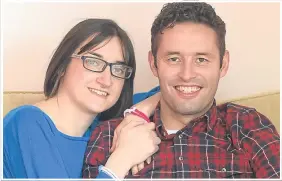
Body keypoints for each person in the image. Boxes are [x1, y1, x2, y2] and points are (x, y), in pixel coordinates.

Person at [82, 2, 280, 179]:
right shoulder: (111, 136)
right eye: (173, 59)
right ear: (153, 63)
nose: (187, 74)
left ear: (223, 64)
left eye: (201, 59)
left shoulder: (247, 125)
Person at [3, 18, 162, 178]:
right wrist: (122, 159)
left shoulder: (104, 126)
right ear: (62, 65)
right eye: (93, 62)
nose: (106, 81)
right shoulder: (26, 122)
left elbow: (175, 91)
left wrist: (139, 111)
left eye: (118, 69)